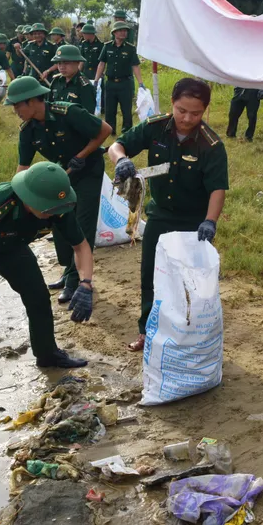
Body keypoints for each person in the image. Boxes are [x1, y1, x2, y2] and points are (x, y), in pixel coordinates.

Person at [0, 161, 93, 418]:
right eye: (47, 210)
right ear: (28, 199)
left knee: (38, 297)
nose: (53, 215)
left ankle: (47, 353)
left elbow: (81, 246)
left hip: (13, 248)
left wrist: (86, 283)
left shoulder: (57, 207)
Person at [107, 78, 228, 353]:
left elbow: (217, 188)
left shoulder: (212, 145)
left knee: (192, 282)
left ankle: (190, 334)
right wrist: (122, 160)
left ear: (205, 110)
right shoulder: (156, 127)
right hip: (160, 217)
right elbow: (117, 145)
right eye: (181, 110)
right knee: (151, 276)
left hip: (193, 222)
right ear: (172, 104)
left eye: (195, 113)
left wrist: (210, 221)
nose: (187, 118)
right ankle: (147, 330)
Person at [7, 76, 111, 303]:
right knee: (58, 219)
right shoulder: (27, 130)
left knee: (82, 224)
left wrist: (81, 156)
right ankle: (67, 270)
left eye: (17, 105)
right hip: (59, 178)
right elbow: (23, 166)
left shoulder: (68, 112)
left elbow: (105, 130)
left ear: (33, 101)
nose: (15, 110)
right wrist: (14, 196)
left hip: (88, 172)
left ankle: (77, 281)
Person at [95, 21, 144, 135]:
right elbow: (102, 64)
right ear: (115, 33)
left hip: (125, 83)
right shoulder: (107, 46)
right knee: (109, 110)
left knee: (126, 109)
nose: (124, 33)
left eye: (125, 31)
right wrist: (96, 80)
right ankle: (110, 131)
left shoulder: (130, 48)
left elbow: (135, 65)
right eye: (121, 31)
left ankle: (127, 131)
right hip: (110, 83)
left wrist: (140, 82)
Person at [47, 44, 97, 114]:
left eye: (66, 63)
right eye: (59, 63)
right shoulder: (56, 81)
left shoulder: (85, 86)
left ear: (77, 63)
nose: (62, 67)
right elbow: (49, 106)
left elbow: (88, 116)